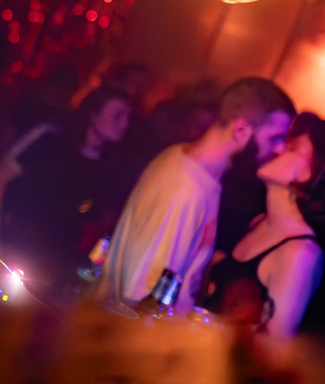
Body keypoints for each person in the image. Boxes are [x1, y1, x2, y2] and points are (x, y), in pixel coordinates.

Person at [97, 77, 295, 313]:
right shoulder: (184, 191)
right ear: (240, 129)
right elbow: (140, 299)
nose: (280, 149)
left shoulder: (186, 161)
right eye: (275, 138)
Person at [0, 86, 135, 294]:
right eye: (117, 115)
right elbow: (0, 180)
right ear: (93, 114)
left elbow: (94, 222)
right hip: (13, 245)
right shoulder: (50, 138)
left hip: (53, 266)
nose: (125, 123)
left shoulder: (109, 166)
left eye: (128, 116)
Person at [201, 112, 325, 339]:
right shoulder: (259, 222)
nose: (277, 148)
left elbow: (271, 348)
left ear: (309, 174)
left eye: (292, 148)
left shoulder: (300, 254)